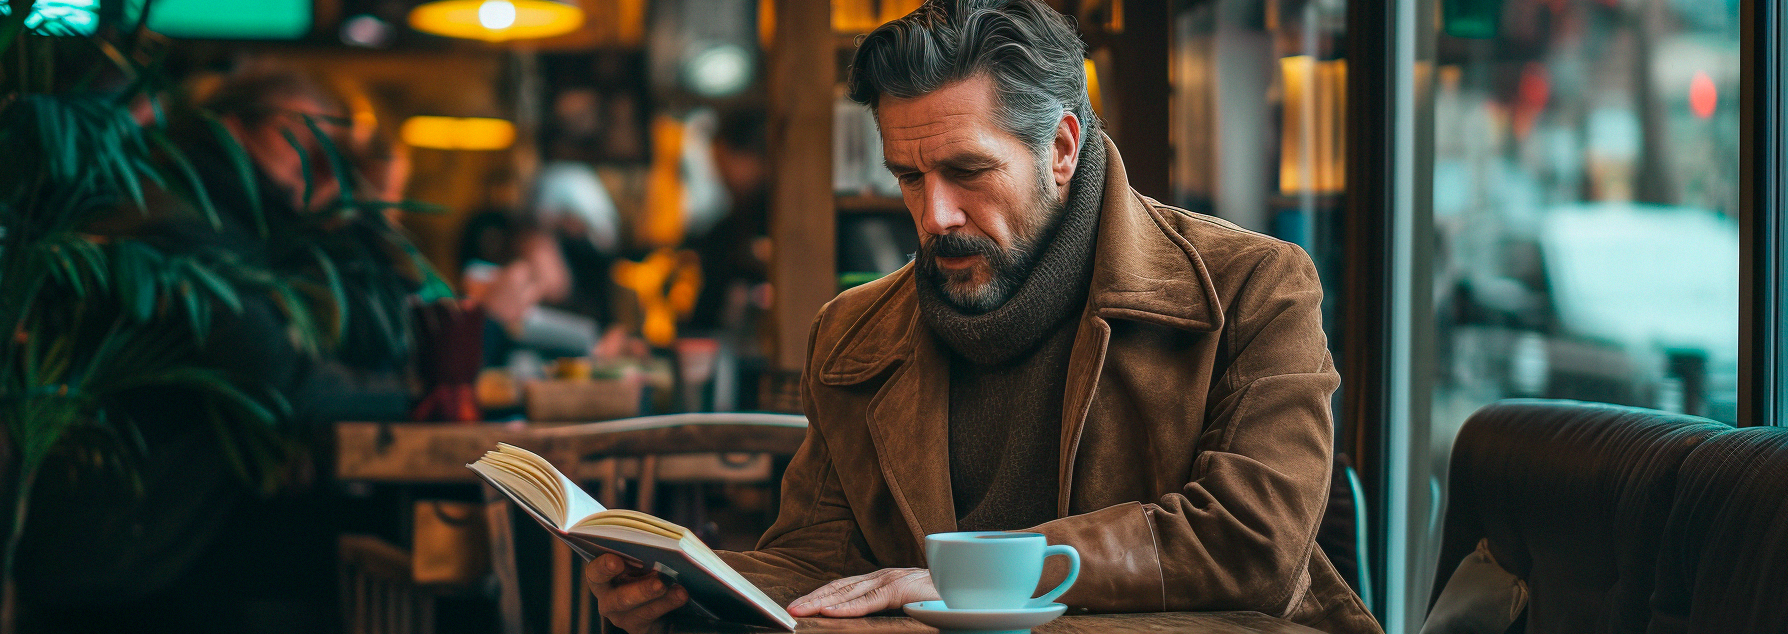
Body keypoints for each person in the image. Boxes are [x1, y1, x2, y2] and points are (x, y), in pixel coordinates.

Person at [584, 2, 1382, 633]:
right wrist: (687, 587)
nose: (935, 215)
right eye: (908, 176)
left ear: (1062, 148)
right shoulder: (850, 332)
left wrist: (978, 576)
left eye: (968, 171)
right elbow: (818, 561)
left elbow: (1255, 540)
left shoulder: (1254, 286)